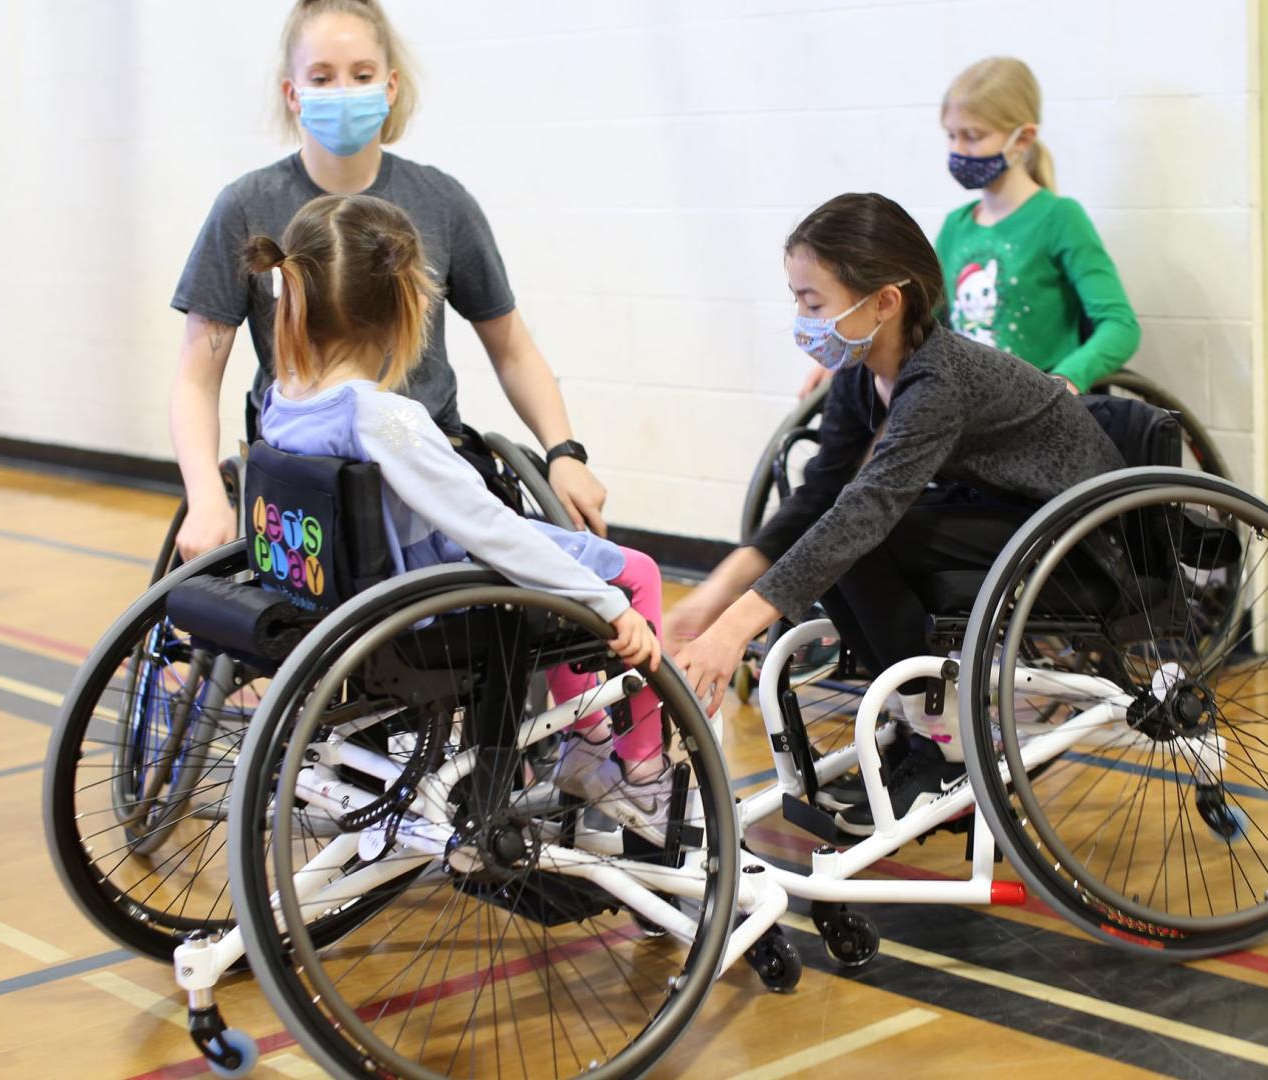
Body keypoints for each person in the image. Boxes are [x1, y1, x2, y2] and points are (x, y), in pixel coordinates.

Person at [671, 193, 1123, 834]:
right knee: (845, 529)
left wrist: (735, 630)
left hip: (1078, 537)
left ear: (885, 301)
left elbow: (865, 512)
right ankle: (928, 727)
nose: (802, 318)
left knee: (861, 536)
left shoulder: (940, 379)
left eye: (814, 302)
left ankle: (947, 744)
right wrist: (716, 599)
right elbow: (816, 496)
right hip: (1006, 512)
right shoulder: (862, 373)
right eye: (797, 299)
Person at [245, 192, 678, 840]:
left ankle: (584, 737)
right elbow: (488, 527)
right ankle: (641, 775)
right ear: (409, 302)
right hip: (438, 600)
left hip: (331, 597)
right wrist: (605, 603)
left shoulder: (279, 402)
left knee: (556, 565)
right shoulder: (384, 418)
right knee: (629, 573)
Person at [170, 0, 607, 561]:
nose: (344, 89)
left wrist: (564, 451)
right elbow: (196, 377)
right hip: (303, 481)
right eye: (322, 77)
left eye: (361, 75)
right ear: (293, 94)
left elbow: (513, 349)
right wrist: (206, 494)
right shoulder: (247, 206)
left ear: (391, 86)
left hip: (427, 465)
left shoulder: (441, 202)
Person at [795, 56, 1138, 401]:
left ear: (1023, 139)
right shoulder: (957, 226)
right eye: (951, 136)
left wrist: (1067, 378)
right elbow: (916, 318)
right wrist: (850, 350)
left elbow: (1120, 326)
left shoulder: (1060, 218)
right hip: (963, 402)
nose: (958, 150)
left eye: (972, 137)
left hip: (1031, 408)